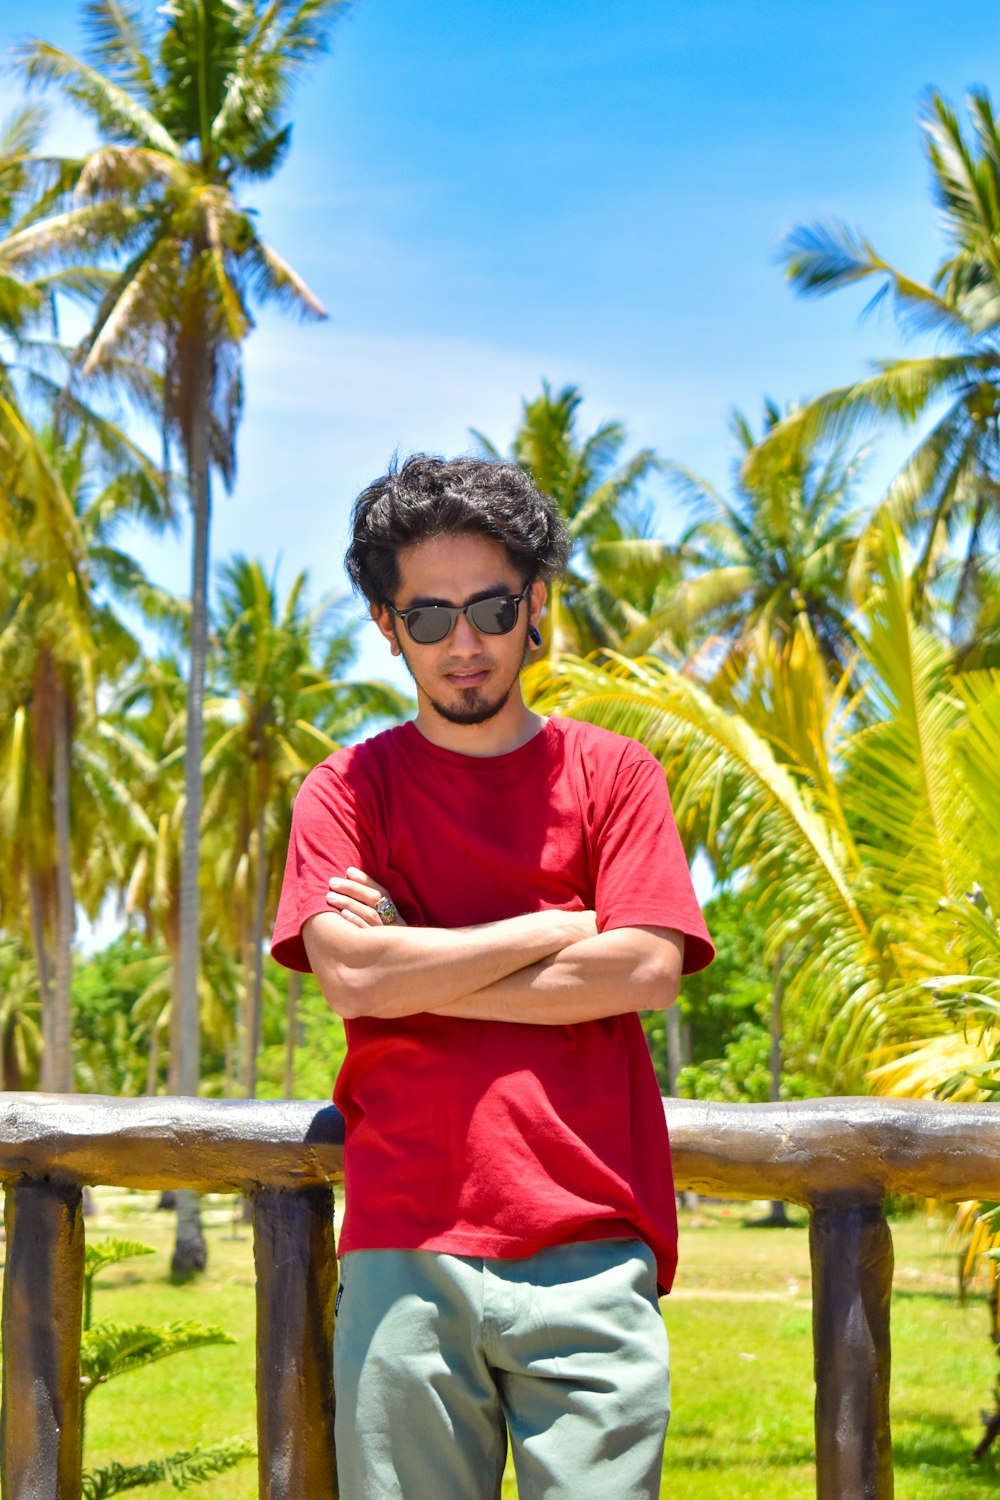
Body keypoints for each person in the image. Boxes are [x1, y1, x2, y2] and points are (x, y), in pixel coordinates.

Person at [271, 454, 714, 1500]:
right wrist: (551, 926)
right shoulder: (346, 790)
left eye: (489, 608)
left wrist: (412, 963)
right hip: (402, 1244)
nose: (462, 644)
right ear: (388, 628)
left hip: (593, 1240)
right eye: (428, 618)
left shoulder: (615, 775)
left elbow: (647, 969)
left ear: (535, 605)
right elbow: (350, 979)